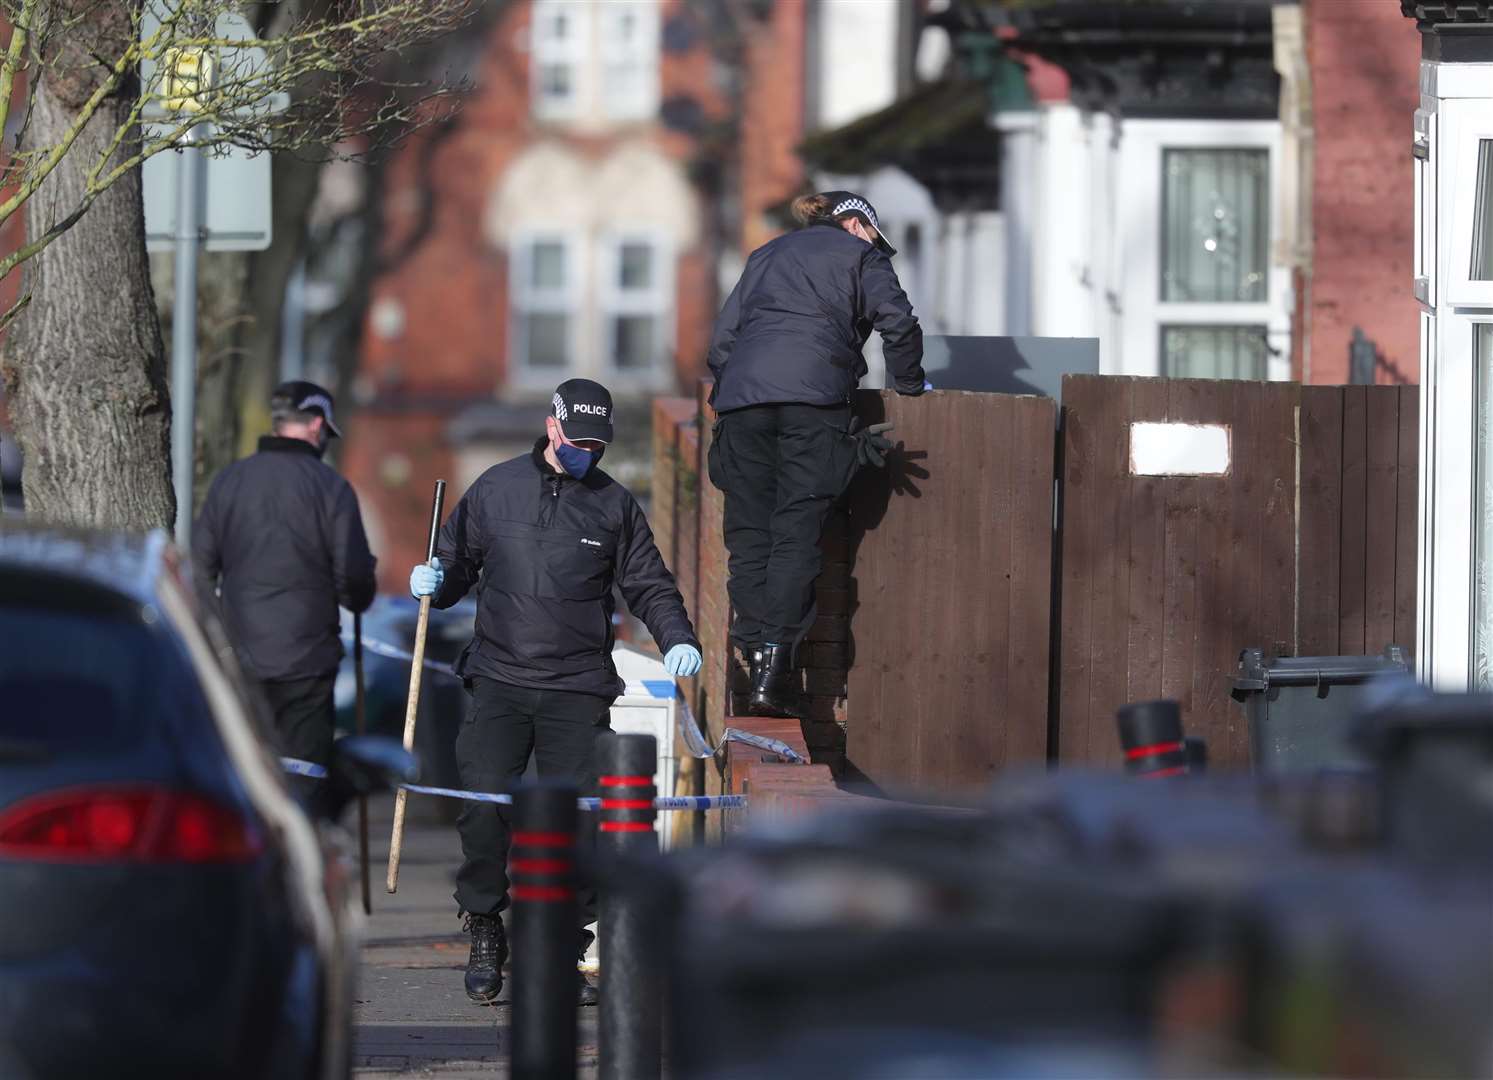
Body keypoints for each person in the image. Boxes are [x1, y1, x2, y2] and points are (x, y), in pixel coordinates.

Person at [408, 377, 701, 1006]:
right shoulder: (495, 488)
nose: (585, 454)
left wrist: (678, 635)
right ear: (552, 427)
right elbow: (455, 565)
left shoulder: (614, 505)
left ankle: (572, 944)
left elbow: (649, 583)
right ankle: (486, 926)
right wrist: (433, 577)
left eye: (597, 446)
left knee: (579, 824)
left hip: (577, 687)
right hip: (499, 681)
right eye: (577, 442)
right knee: (483, 813)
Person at [706, 190, 927, 717]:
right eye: (874, 235)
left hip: (742, 406)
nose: (877, 245)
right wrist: (912, 389)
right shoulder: (861, 258)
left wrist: (740, 389)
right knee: (796, 532)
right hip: (814, 403)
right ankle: (772, 672)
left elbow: (722, 343)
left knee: (750, 535)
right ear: (856, 225)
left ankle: (751, 656)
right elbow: (898, 323)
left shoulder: (766, 255)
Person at [193, 380, 377, 779]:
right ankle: (304, 838)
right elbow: (354, 580)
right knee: (304, 775)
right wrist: (361, 591)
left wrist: (217, 637)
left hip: (238, 659)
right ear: (315, 424)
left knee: (245, 774)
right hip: (306, 663)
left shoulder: (229, 481)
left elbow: (199, 569)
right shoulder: (331, 488)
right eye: (326, 430)